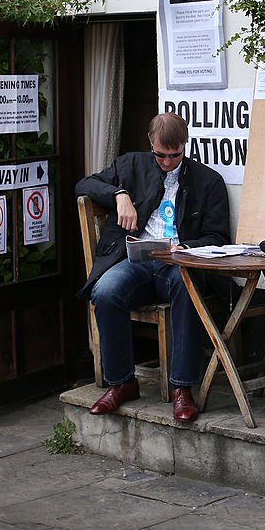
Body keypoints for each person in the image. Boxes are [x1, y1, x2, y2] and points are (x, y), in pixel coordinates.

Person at [76, 113, 229, 422]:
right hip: (136, 261)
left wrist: (183, 247)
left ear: (186, 145)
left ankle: (181, 388)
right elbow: (84, 183)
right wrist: (119, 195)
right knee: (105, 291)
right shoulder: (130, 165)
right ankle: (122, 382)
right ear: (151, 145)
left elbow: (218, 237)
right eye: (161, 155)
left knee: (186, 286)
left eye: (175, 155)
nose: (168, 161)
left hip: (177, 263)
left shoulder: (207, 181)